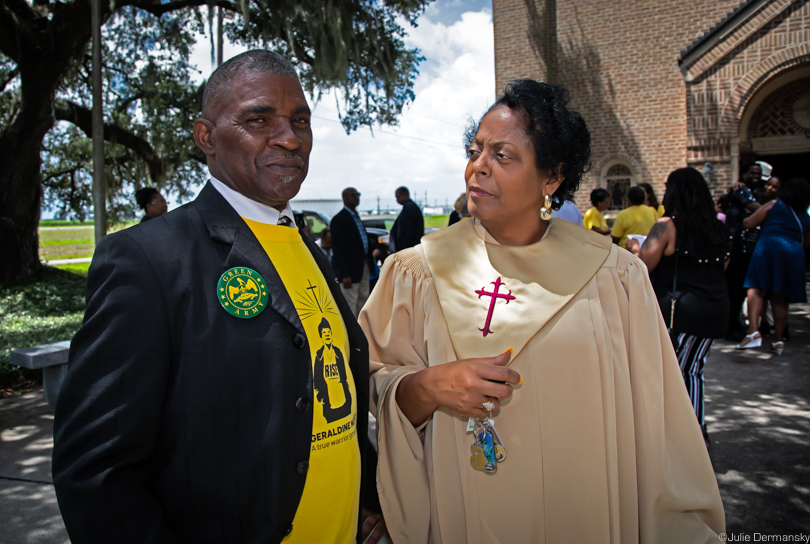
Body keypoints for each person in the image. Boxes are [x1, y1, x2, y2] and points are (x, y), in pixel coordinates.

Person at [360, 79, 724, 543]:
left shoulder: (614, 276)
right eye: (475, 151)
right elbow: (370, 382)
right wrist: (427, 386)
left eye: (502, 155)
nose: (478, 168)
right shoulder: (416, 271)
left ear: (552, 177)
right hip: (466, 512)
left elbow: (658, 419)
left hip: (588, 510)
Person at [52, 50, 376, 543]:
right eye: (258, 119)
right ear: (207, 136)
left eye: (300, 120)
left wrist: (366, 502)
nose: (289, 138)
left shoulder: (307, 245)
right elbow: (96, 473)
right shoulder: (148, 260)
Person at [639, 167, 731, 443]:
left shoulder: (667, 226)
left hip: (680, 313)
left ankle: (683, 436)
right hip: (714, 308)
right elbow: (724, 266)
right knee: (692, 369)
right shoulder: (719, 229)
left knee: (675, 374)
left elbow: (644, 264)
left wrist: (634, 249)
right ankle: (693, 430)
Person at [736, 177, 810, 355]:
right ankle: (778, 341)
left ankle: (753, 332)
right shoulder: (806, 218)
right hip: (793, 253)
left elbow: (749, 223)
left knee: (756, 289)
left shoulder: (774, 205)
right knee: (780, 297)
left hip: (769, 248)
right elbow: (806, 243)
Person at [723, 162, 763, 341]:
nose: (756, 175)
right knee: (735, 289)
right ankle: (730, 327)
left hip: (744, 247)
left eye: (759, 173)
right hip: (737, 246)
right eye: (752, 172)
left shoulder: (754, 191)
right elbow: (757, 208)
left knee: (739, 289)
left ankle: (734, 324)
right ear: (744, 174)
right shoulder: (742, 191)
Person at [331, 188, 374, 317]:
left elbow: (362, 242)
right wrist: (344, 274)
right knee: (351, 303)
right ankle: (354, 335)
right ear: (344, 198)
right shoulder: (339, 219)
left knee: (364, 299)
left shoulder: (356, 217)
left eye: (358, 195)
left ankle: (364, 330)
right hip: (350, 271)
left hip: (363, 266)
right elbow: (338, 249)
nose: (357, 197)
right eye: (353, 195)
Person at [610, 185, 657, 250]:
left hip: (627, 252)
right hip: (648, 249)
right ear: (644, 198)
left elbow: (615, 238)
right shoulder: (652, 211)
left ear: (628, 199)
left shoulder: (623, 214)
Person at [390, 186, 423, 251]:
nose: (397, 200)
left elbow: (407, 232)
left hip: (408, 248)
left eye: (398, 197)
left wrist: (404, 247)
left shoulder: (409, 208)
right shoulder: (412, 206)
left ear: (404, 195)